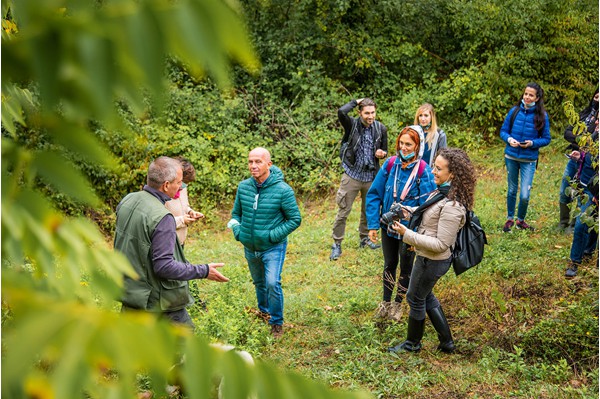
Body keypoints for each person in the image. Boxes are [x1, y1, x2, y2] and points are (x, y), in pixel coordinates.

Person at [115, 156, 229, 329]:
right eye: (179, 182)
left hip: (131, 291)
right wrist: (204, 270)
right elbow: (164, 266)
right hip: (157, 299)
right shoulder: (162, 217)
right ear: (166, 185)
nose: (181, 187)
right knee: (184, 339)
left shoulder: (128, 200)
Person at [388, 148, 476, 353]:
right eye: (434, 166)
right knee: (425, 295)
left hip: (433, 259)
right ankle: (447, 343)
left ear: (452, 174)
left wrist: (406, 234)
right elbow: (430, 216)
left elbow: (441, 244)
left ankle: (412, 343)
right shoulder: (443, 192)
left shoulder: (453, 205)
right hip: (427, 257)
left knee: (415, 297)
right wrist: (407, 211)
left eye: (438, 168)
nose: (433, 171)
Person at [228, 147, 301, 338]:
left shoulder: (283, 190)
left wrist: (271, 236)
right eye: (250, 161)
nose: (253, 166)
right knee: (259, 282)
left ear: (269, 164)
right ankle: (264, 312)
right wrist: (239, 232)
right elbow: (236, 214)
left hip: (273, 247)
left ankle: (276, 322)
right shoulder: (244, 187)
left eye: (258, 161)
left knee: (272, 282)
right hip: (250, 246)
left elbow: (295, 219)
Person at [366, 125, 436, 322]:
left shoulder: (423, 170)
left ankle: (398, 304)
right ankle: (386, 303)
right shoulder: (390, 165)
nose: (404, 148)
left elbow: (428, 205)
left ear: (417, 146)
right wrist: (372, 224)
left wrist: (419, 235)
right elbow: (374, 194)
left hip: (409, 230)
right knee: (389, 264)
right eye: (401, 143)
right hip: (388, 226)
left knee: (406, 268)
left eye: (409, 144)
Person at [330, 97, 388, 260]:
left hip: (371, 177)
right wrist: (356, 101)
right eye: (367, 113)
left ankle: (364, 239)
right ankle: (337, 243)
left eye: (373, 113)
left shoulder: (381, 129)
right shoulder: (352, 125)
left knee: (367, 210)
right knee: (343, 211)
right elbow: (341, 111)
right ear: (360, 113)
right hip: (352, 174)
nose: (370, 116)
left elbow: (385, 150)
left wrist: (382, 153)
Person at [499, 82, 551, 232]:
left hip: (529, 160)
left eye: (531, 95)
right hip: (511, 157)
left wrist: (532, 143)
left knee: (524, 195)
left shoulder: (542, 116)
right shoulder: (514, 111)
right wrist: (510, 140)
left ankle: (521, 221)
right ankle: (510, 219)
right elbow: (503, 131)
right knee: (511, 190)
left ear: (537, 97)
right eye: (526, 94)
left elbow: (546, 139)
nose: (527, 97)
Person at [559, 88, 599, 232]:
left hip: (588, 162)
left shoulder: (597, 119)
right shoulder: (585, 113)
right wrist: (581, 141)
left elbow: (590, 138)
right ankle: (563, 221)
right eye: (596, 95)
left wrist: (583, 140)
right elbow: (567, 133)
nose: (597, 98)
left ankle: (573, 224)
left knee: (581, 192)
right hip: (574, 157)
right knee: (565, 189)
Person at [565, 119, 599, 278]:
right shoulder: (595, 134)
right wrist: (580, 157)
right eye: (598, 119)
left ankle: (576, 260)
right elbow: (588, 157)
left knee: (582, 224)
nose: (597, 123)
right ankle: (585, 251)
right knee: (587, 222)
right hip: (583, 186)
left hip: (595, 191)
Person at [165, 157, 204, 246]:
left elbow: (184, 206)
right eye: (181, 182)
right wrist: (182, 220)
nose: (183, 186)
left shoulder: (183, 189)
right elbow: (160, 222)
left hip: (180, 241)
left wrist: (191, 212)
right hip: (168, 243)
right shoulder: (163, 193)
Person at [414, 103, 447, 168]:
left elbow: (443, 156)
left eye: (426, 115)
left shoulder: (439, 134)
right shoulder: (414, 132)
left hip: (430, 171)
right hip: (414, 171)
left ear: (431, 117)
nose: (423, 119)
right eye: (420, 115)